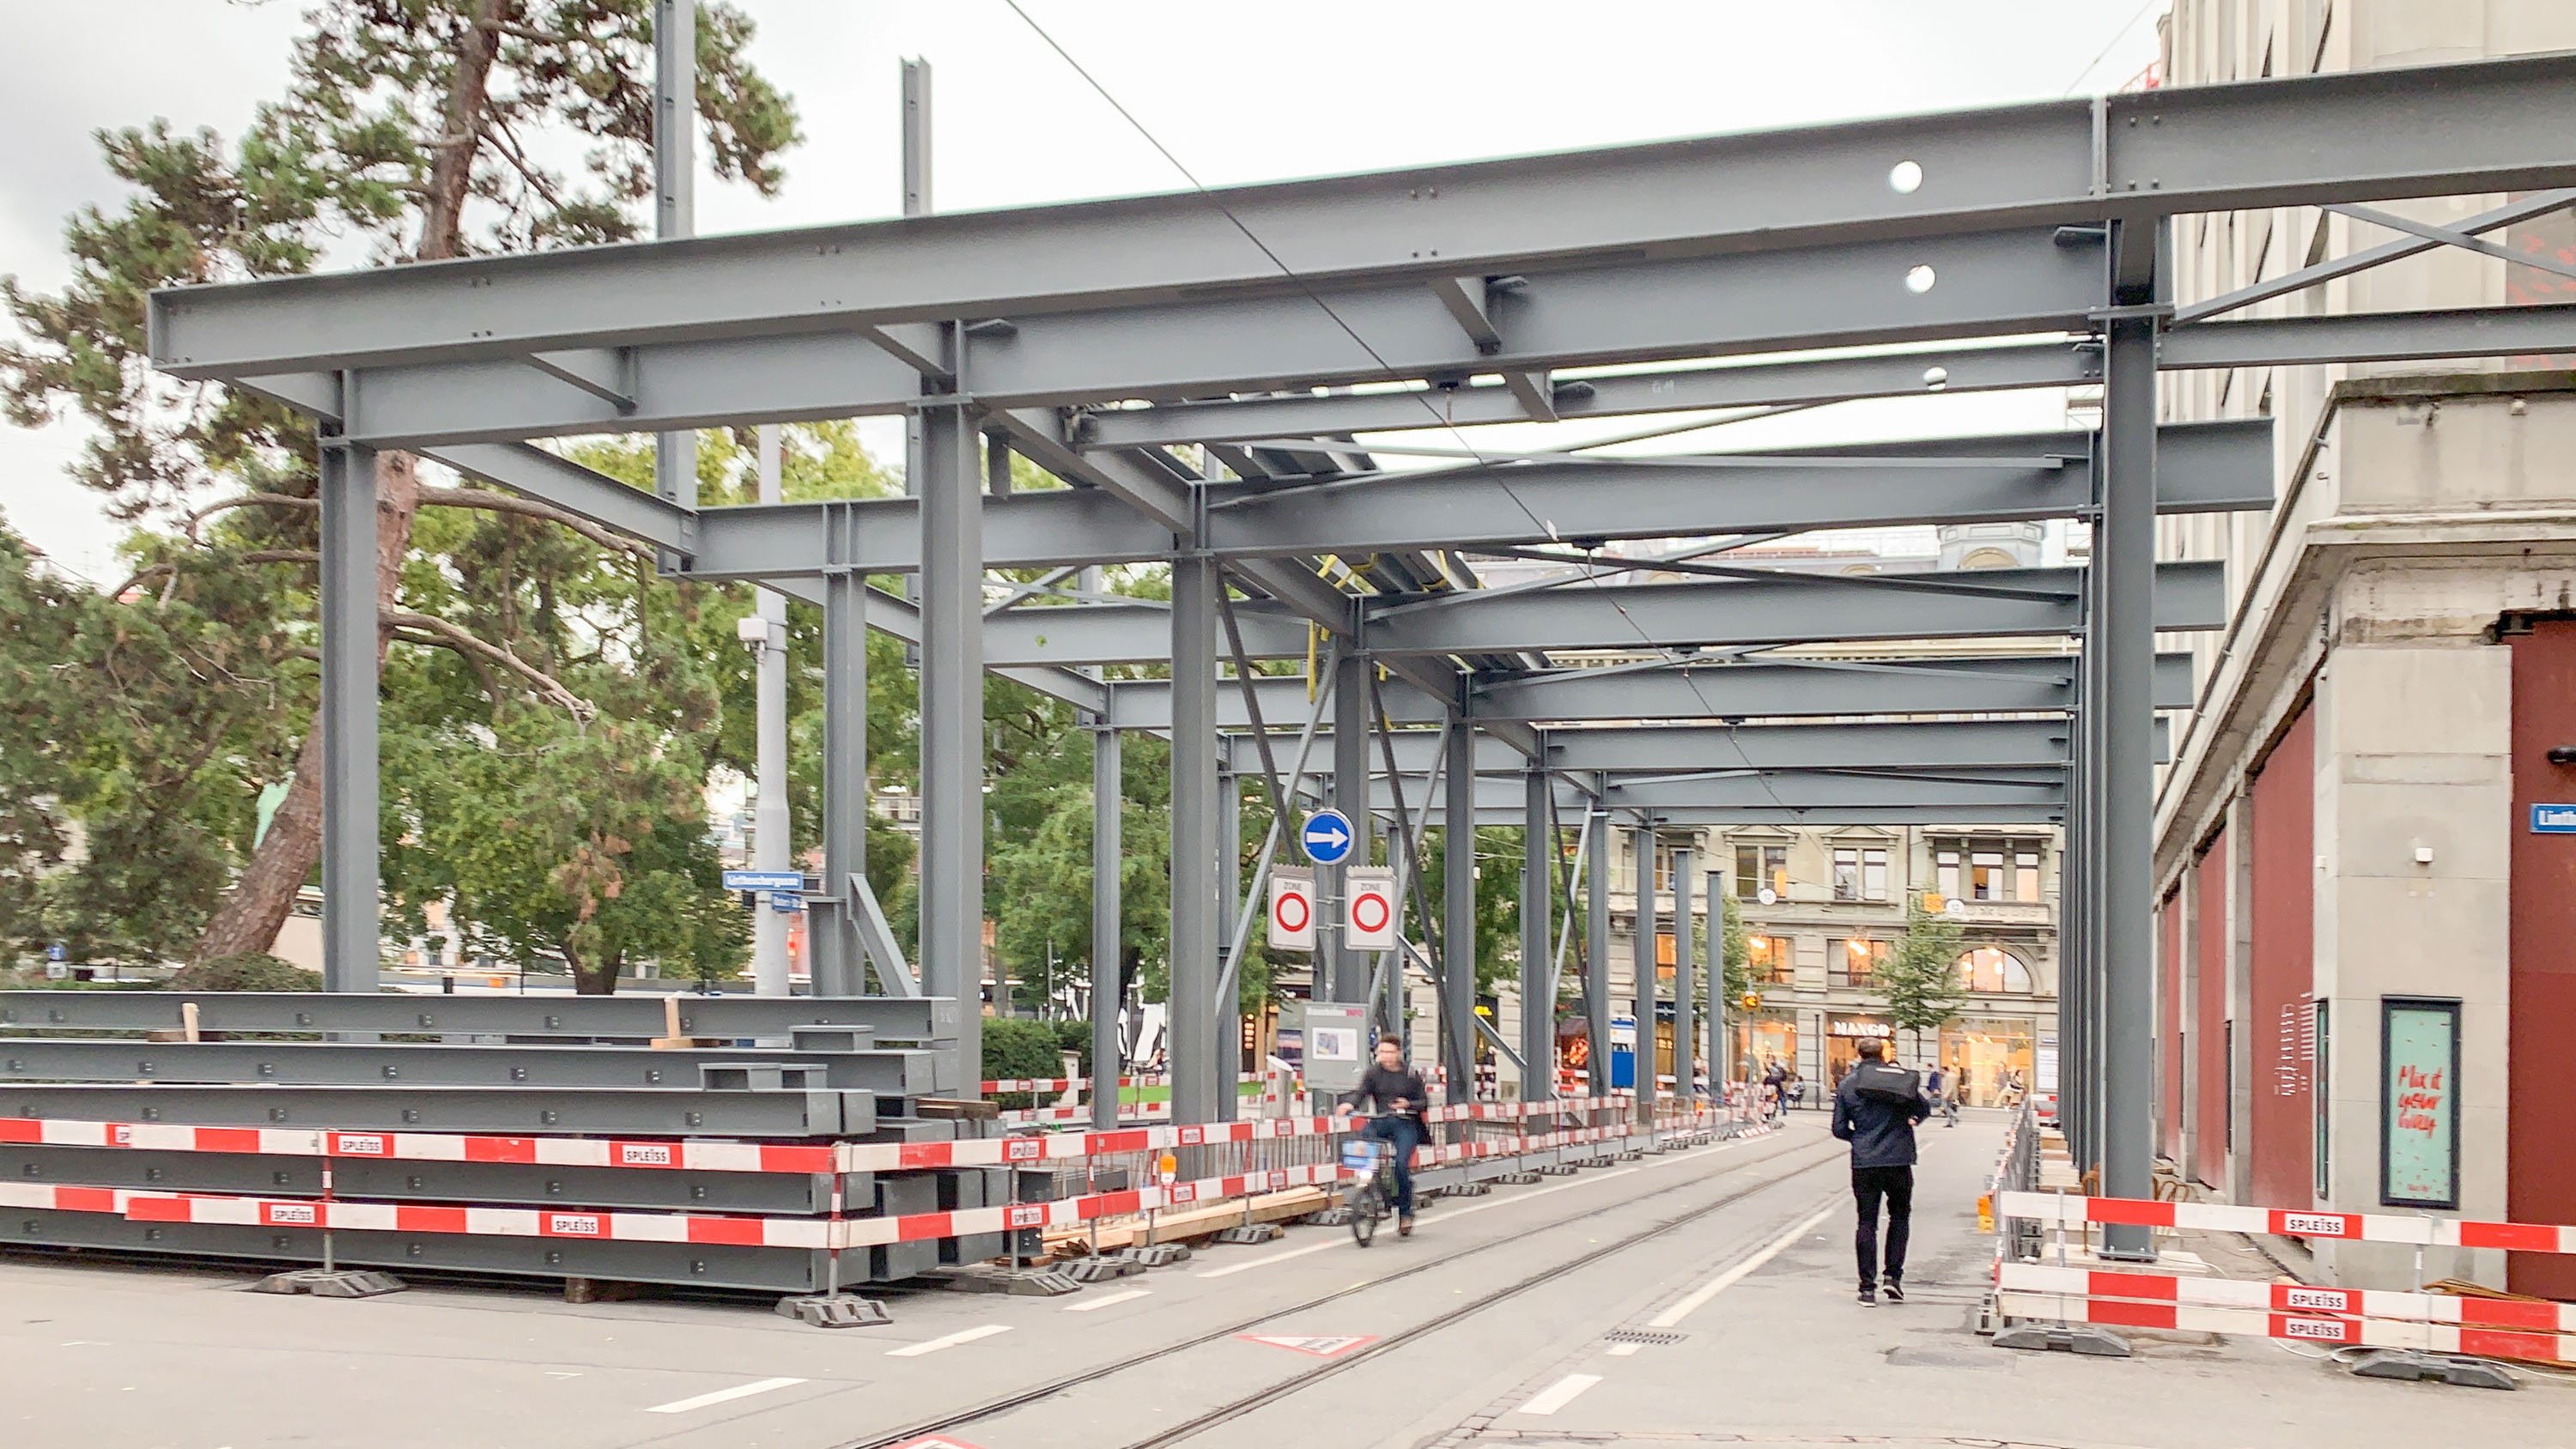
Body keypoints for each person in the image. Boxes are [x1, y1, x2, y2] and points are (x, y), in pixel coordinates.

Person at [1832, 1035, 1930, 1306]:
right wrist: (1913, 1120)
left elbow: (1839, 1128)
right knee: (1900, 1217)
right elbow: (1923, 1108)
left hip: (1865, 1162)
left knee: (1867, 1222)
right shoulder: (1898, 1079)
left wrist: (1859, 1139)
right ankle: (1893, 1278)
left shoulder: (1848, 1085)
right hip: (1898, 1160)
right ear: (1884, 1053)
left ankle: (1866, 1288)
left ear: (1858, 1054)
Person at [1338, 1034, 1430, 1237]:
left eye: (1389, 1052)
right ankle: (1370, 1186)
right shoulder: (1373, 1073)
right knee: (1362, 1144)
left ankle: (1405, 1213)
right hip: (1380, 1120)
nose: (1385, 1056)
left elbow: (1423, 1101)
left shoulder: (1410, 1074)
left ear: (1398, 1053)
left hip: (1405, 1123)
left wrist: (1408, 1105)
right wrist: (1349, 1104)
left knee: (1401, 1165)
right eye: (1381, 1052)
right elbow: (1361, 1092)